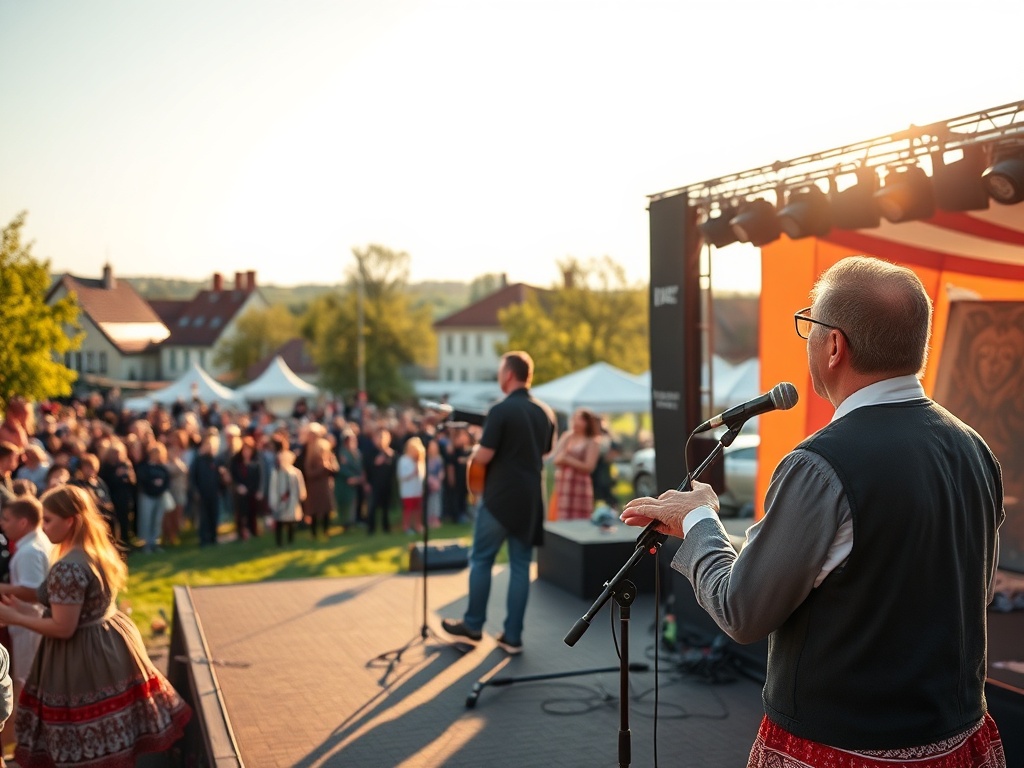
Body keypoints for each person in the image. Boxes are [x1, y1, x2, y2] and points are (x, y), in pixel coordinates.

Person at [620, 256, 1006, 767]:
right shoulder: (975, 448)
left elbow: (742, 610)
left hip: (843, 748)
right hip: (958, 740)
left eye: (809, 324)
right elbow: (973, 589)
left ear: (834, 345)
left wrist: (699, 518)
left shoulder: (821, 464)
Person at [0, 485, 191, 766]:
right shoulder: (95, 552)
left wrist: (14, 617)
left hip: (83, 658)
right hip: (110, 644)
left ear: (70, 521)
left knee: (86, 741)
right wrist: (21, 606)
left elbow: (64, 627)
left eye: (49, 520)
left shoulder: (69, 566)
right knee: (114, 735)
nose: (43, 527)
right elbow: (71, 606)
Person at [442, 351, 556, 655]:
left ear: (509, 374)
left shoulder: (500, 410)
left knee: (481, 560)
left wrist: (474, 451)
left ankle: (473, 626)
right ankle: (512, 637)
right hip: (530, 499)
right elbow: (545, 452)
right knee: (520, 566)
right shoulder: (545, 412)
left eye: (500, 371)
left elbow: (484, 456)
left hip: (499, 498)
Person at [0, 495, 52, 749]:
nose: (3, 524)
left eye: (7, 519)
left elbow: (35, 591)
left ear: (23, 522)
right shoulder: (35, 543)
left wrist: (3, 588)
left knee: (26, 686)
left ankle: (22, 743)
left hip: (29, 626)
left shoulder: (29, 551)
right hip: (29, 622)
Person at [550, 407, 601, 520]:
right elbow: (556, 459)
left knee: (578, 518)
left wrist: (568, 460)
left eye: (580, 420)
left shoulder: (592, 441)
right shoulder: (567, 436)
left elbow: (589, 466)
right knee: (561, 516)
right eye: (574, 419)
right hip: (564, 483)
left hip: (579, 484)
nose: (575, 423)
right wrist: (564, 459)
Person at [268, 449, 306, 547]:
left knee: (291, 522)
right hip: (280, 501)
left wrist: (302, 495)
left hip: (292, 501)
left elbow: (300, 486)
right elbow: (273, 488)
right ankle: (279, 542)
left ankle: (290, 540)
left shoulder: (296, 472)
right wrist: (274, 501)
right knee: (279, 521)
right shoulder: (276, 472)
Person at [397, 436, 426, 535]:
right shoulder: (403, 460)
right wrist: (413, 473)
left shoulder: (419, 461)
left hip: (417, 489)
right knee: (408, 509)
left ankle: (417, 525)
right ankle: (406, 527)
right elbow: (402, 476)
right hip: (407, 491)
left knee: (418, 509)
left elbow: (422, 475)